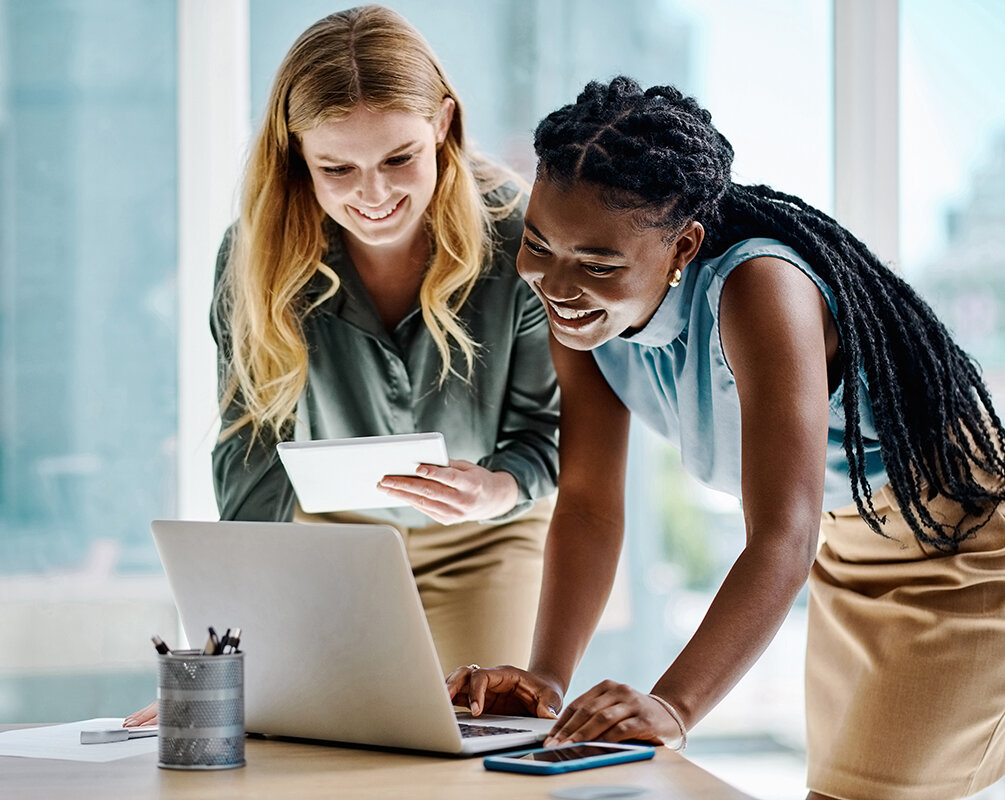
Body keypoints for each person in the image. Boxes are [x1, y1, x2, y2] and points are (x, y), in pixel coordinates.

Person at [448, 77, 1005, 800]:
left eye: (598, 263)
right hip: (847, 546)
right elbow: (587, 502)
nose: (556, 282)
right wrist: (546, 682)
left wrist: (674, 707)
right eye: (538, 243)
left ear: (683, 245)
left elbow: (781, 531)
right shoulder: (579, 314)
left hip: (956, 546)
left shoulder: (760, 288)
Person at [124, 5, 558, 727]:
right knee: (315, 738)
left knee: (476, 738)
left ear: (443, 123)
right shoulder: (255, 257)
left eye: (399, 157)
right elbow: (251, 457)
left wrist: (496, 489)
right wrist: (228, 654)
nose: (374, 194)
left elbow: (546, 430)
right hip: (332, 541)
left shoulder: (520, 236)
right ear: (297, 154)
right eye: (336, 168)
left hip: (487, 534)